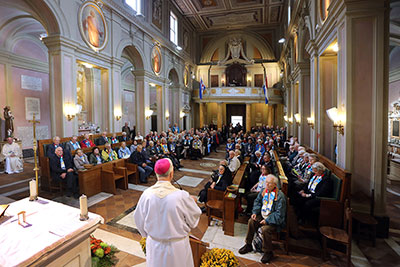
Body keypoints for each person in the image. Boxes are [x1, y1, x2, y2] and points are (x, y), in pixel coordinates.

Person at [134, 158, 201, 267]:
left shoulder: (146, 195)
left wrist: (151, 235)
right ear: (171, 173)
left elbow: (138, 220)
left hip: (155, 245)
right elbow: (193, 219)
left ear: (156, 173)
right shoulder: (182, 195)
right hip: (177, 247)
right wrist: (191, 202)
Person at [239, 175, 286, 264]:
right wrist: (255, 212)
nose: (266, 185)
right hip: (263, 215)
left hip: (274, 221)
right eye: (266, 182)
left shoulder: (280, 196)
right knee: (251, 221)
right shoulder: (264, 191)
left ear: (275, 184)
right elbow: (257, 202)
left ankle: (268, 252)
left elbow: (280, 214)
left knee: (265, 229)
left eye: (269, 183)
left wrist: (267, 221)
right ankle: (248, 245)